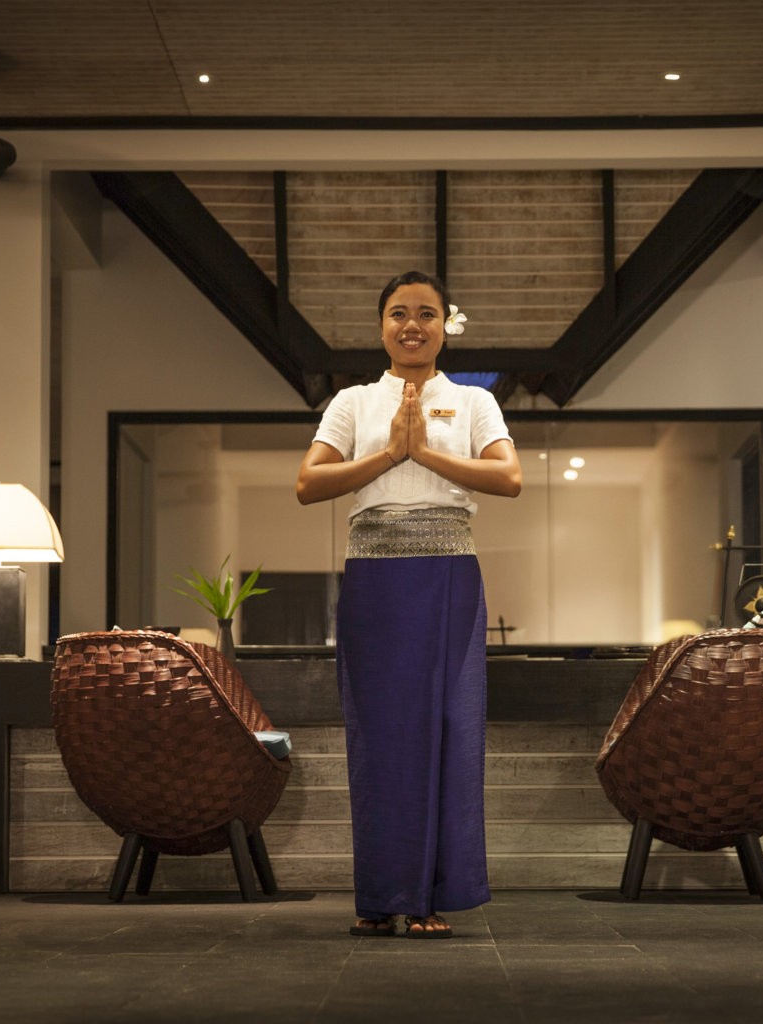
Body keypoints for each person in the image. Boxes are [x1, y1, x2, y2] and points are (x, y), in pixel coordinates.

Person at [296, 270, 522, 939]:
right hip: (374, 582)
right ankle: (379, 896)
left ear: (444, 326)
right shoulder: (353, 402)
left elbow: (508, 477)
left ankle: (427, 897)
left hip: (449, 578)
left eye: (426, 313)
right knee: (380, 735)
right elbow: (309, 483)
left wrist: (423, 452)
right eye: (398, 313)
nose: (412, 325)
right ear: (381, 327)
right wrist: (391, 454)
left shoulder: (473, 402)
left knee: (449, 730)